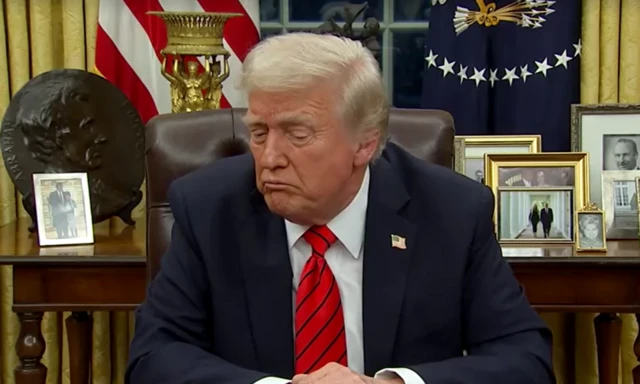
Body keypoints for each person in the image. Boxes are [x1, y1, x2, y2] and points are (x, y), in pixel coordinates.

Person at [126, 32, 553, 384]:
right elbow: (153, 357)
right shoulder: (208, 209)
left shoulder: (452, 212)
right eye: (258, 132)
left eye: (296, 133)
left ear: (365, 144)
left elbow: (525, 360)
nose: (269, 156)